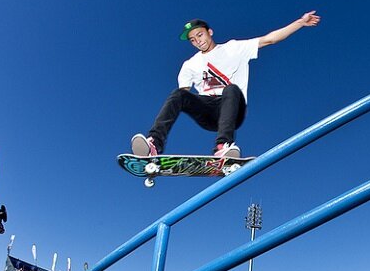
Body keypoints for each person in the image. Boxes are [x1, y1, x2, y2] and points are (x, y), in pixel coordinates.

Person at [132, 10, 321, 159]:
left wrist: (300, 22)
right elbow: (182, 99)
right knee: (178, 95)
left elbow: (270, 39)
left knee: (231, 89)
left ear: (210, 32)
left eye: (200, 35)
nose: (198, 41)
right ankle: (154, 144)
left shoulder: (234, 48)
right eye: (193, 40)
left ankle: (223, 146)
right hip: (208, 112)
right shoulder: (189, 65)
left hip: (233, 109)